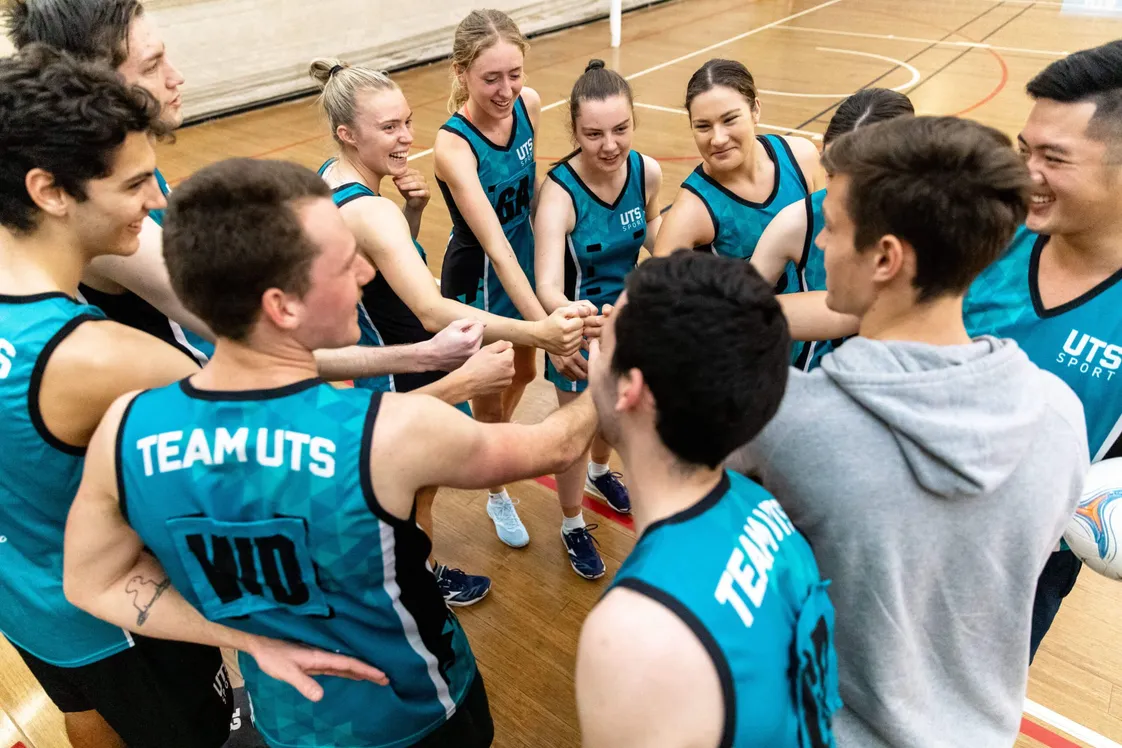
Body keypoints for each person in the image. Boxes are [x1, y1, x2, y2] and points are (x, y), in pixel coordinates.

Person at [62, 157, 601, 748]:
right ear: (282, 306)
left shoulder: (126, 427)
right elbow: (562, 444)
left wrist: (247, 640)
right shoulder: (389, 433)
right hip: (420, 715)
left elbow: (90, 584)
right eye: (345, 264)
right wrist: (621, 351)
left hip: (290, 724)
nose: (367, 273)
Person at [727, 116, 1089, 747]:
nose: (818, 247)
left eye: (833, 228)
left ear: (886, 257)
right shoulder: (1061, 417)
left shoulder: (790, 423)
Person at [770, 42, 1122, 657]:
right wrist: (709, 317)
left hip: (1017, 567)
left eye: (1053, 158)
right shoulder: (995, 231)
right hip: (888, 511)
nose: (1025, 174)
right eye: (1024, 150)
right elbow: (850, 304)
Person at [5, 0, 482, 384]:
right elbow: (257, 342)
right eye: (152, 65)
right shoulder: (97, 213)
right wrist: (423, 357)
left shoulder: (125, 176)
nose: (177, 76)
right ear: (95, 81)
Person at [0, 44, 234, 748]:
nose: (156, 200)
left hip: (23, 596)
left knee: (86, 713)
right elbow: (278, 429)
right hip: (123, 624)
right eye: (136, 184)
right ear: (50, 191)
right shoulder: (101, 355)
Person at [306, 57, 591, 599]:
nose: (406, 138)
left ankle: (416, 575)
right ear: (347, 133)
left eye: (407, 122)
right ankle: (420, 587)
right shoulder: (371, 211)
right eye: (388, 128)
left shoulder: (331, 178)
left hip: (372, 359)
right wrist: (541, 334)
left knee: (400, 493)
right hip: (397, 367)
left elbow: (375, 273)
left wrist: (412, 214)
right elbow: (432, 312)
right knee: (418, 495)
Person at [575, 252, 840, 747]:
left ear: (631, 390)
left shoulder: (635, 632)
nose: (595, 350)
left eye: (604, 342)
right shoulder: (760, 505)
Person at [436, 9, 576, 548]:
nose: (506, 89)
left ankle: (482, 442)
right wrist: (548, 325)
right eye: (491, 78)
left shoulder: (530, 105)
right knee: (492, 389)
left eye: (514, 73)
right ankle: (496, 490)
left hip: (524, 256)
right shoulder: (455, 146)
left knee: (524, 370)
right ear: (461, 73)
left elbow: (534, 189)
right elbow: (494, 245)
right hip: (484, 275)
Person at [533, 59, 663, 579]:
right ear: (574, 131)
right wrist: (567, 328)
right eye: (593, 134)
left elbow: (652, 230)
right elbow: (545, 283)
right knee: (573, 436)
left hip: (628, 322)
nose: (610, 145)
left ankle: (601, 472)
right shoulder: (560, 193)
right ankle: (570, 523)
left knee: (618, 416)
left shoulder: (646, 171)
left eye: (620, 130)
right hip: (579, 328)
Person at [750, 88, 913, 369]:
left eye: (855, 178)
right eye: (830, 171)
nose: (836, 188)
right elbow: (742, 309)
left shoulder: (938, 222)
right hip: (817, 383)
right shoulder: (798, 222)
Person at [653, 58, 822, 295]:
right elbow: (652, 300)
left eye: (730, 119)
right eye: (703, 126)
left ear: (756, 110)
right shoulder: (691, 211)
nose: (718, 139)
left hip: (826, 321)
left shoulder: (802, 159)